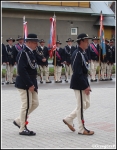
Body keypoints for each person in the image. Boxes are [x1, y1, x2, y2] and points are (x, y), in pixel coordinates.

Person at [63, 33, 94, 135]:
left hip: (83, 82)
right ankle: (82, 129)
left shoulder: (83, 53)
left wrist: (87, 85)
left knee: (87, 104)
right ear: (81, 42)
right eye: (86, 41)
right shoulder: (77, 54)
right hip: (79, 84)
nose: (88, 43)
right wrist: (85, 86)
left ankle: (69, 119)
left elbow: (84, 72)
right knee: (81, 106)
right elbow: (77, 72)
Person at [13, 33, 39, 136]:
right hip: (25, 83)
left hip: (32, 82)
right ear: (28, 42)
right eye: (34, 42)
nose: (36, 44)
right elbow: (22, 70)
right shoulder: (23, 53)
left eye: (36, 42)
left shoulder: (31, 52)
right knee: (26, 105)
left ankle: (19, 120)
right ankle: (22, 128)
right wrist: (29, 84)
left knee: (35, 103)